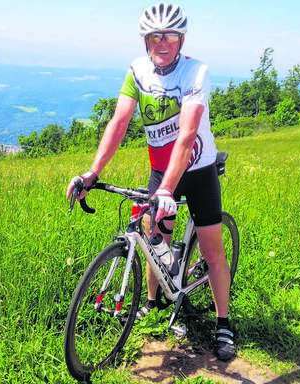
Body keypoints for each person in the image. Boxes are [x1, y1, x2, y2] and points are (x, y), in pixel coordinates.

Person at [65, 2, 235, 361]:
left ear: (181, 39)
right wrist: (92, 172)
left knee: (212, 249)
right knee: (154, 235)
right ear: (145, 40)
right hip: (161, 172)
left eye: (169, 36)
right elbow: (118, 122)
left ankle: (224, 323)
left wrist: (167, 190)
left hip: (198, 170)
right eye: (154, 36)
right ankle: (154, 302)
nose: (162, 43)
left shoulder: (195, 73)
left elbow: (187, 135)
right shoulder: (137, 71)